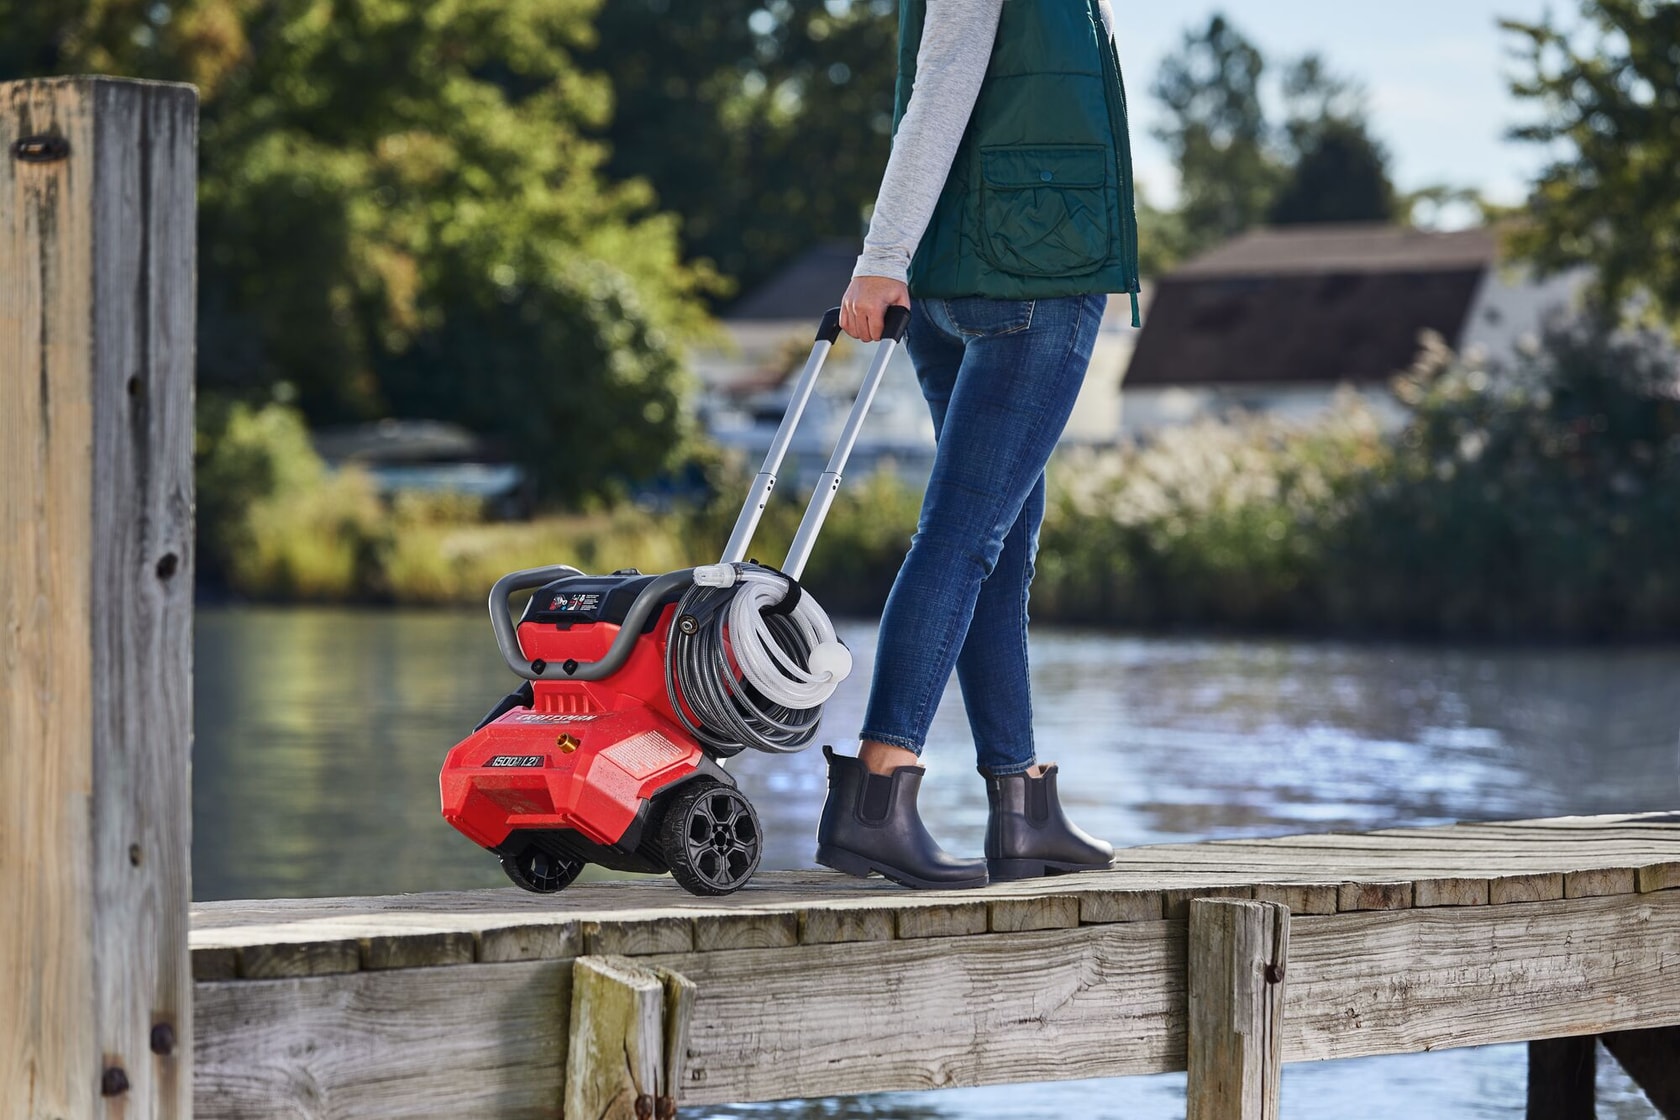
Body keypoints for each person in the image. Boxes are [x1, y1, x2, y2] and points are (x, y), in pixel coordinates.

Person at [815, 0, 1144, 890]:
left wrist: (896, 261)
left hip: (962, 274)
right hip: (1028, 276)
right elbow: (943, 82)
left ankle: (1023, 806)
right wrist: (879, 257)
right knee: (962, 540)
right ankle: (877, 800)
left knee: (994, 545)